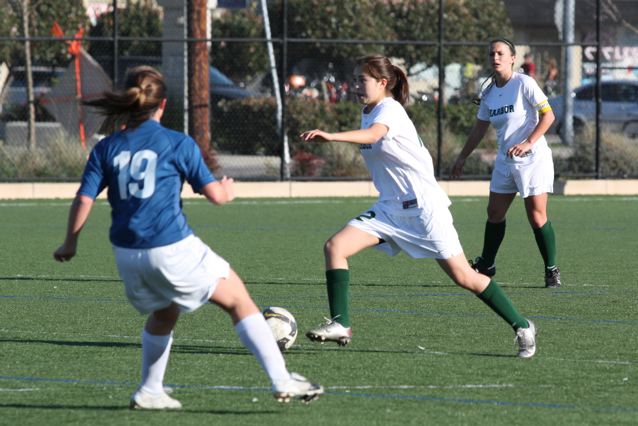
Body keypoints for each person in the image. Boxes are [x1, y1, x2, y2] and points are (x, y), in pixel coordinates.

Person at [53, 66, 323, 410]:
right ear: (163, 105)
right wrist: (227, 190)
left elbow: (84, 198)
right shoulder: (176, 142)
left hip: (127, 254)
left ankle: (150, 390)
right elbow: (216, 196)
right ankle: (282, 380)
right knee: (239, 300)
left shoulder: (107, 147)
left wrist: (70, 242)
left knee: (165, 312)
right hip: (170, 246)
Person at [300, 55, 537, 358]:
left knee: (465, 276)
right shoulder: (368, 110)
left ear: (382, 83)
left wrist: (332, 136)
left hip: (424, 208)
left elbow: (374, 135)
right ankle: (341, 324)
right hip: (389, 208)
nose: (356, 85)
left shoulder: (390, 109)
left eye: (362, 80)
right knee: (335, 247)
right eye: (356, 79)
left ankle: (522, 326)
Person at [451, 38, 561, 289]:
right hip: (505, 159)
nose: (495, 58)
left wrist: (528, 142)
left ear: (512, 58)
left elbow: (549, 115)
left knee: (536, 216)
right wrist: (462, 157)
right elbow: (479, 129)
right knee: (494, 213)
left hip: (532, 159)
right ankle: (487, 264)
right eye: (492, 54)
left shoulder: (524, 83)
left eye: (501, 53)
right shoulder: (488, 92)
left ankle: (551, 269)